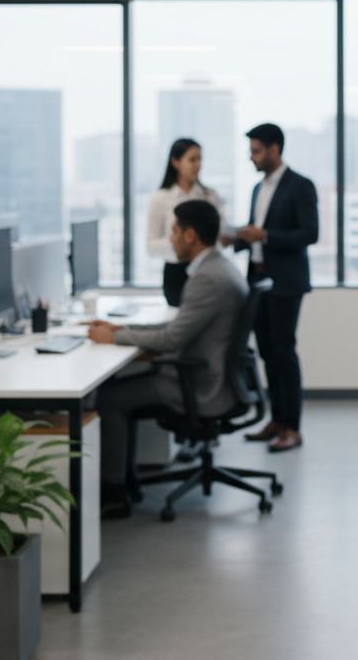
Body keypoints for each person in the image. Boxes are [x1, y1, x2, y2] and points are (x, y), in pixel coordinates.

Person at [89, 200, 248, 519]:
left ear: (190, 235)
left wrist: (115, 338)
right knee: (118, 389)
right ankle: (127, 483)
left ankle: (115, 495)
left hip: (200, 384)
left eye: (174, 231)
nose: (170, 239)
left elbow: (172, 339)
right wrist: (123, 329)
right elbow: (178, 327)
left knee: (108, 399)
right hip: (213, 375)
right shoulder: (219, 267)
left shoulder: (206, 278)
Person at [231, 123, 318, 453]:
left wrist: (265, 235)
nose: (251, 157)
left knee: (283, 354)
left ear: (274, 149)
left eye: (256, 151)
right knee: (267, 352)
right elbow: (256, 234)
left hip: (285, 282)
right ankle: (276, 420)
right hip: (257, 279)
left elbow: (309, 233)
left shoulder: (300, 185)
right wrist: (237, 238)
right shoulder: (258, 188)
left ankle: (292, 428)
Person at [148, 138, 226, 307]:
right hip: (176, 273)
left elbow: (218, 236)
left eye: (200, 159)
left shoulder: (210, 196)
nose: (197, 165)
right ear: (175, 162)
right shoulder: (160, 198)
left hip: (206, 269)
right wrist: (179, 241)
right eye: (192, 159)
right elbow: (151, 245)